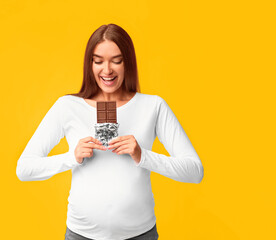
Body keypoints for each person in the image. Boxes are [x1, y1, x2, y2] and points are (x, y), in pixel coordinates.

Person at [16, 23, 204, 240]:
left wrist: (142, 155)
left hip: (140, 234)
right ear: (90, 64)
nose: (107, 70)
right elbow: (24, 169)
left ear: (128, 63)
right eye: (98, 61)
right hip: (81, 235)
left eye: (117, 61)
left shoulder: (153, 106)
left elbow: (194, 171)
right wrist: (72, 157)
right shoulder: (67, 106)